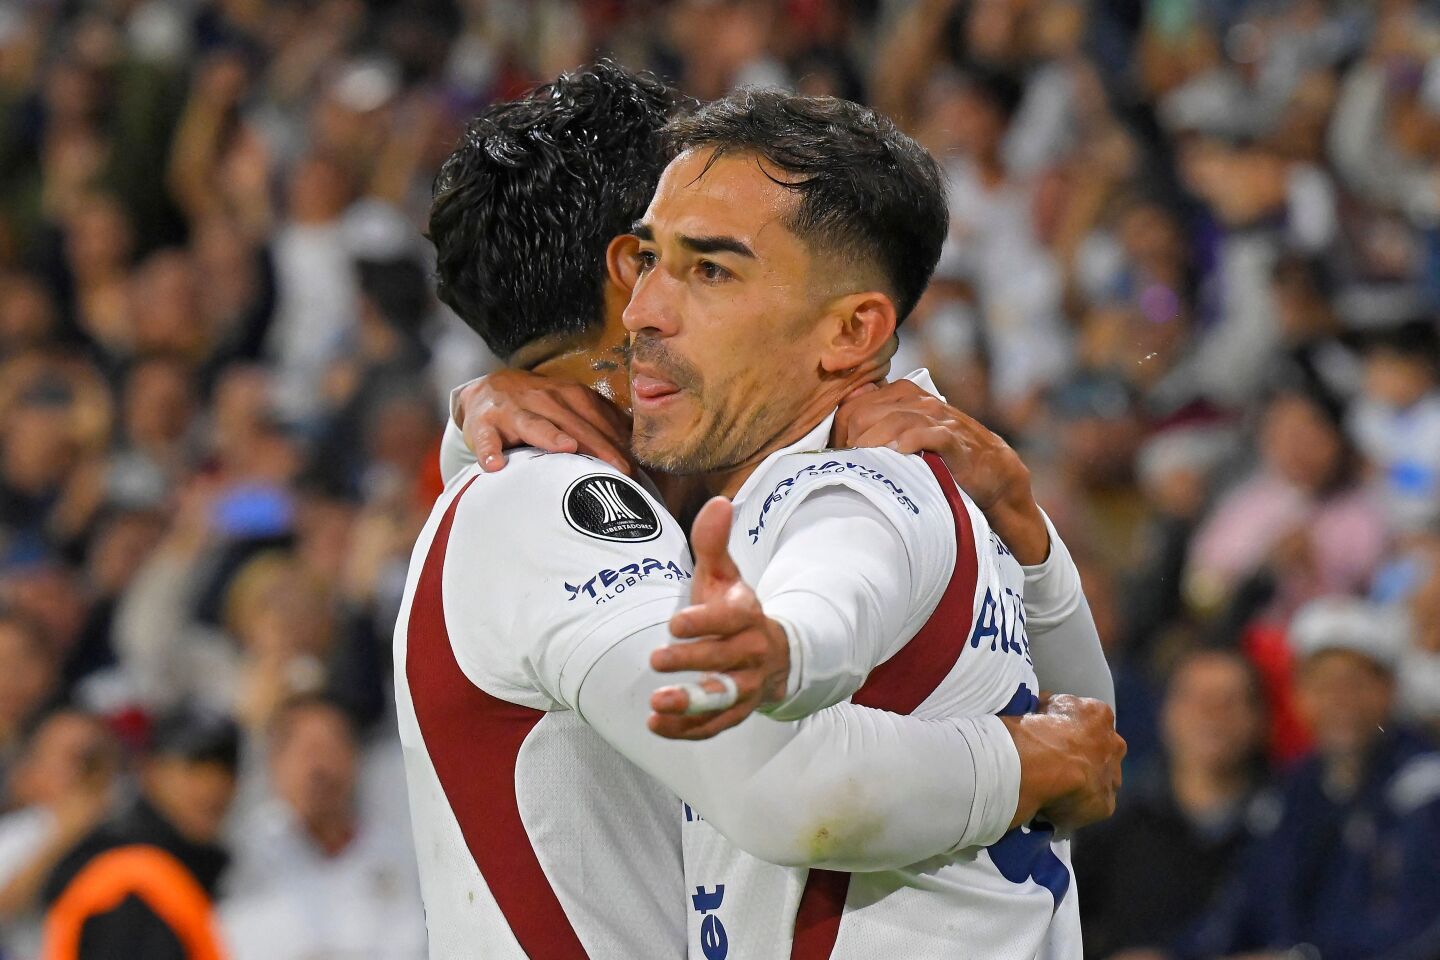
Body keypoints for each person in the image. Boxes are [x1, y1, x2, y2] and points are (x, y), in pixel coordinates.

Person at [402, 63, 1122, 959]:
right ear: (628, 274)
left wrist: (1027, 532)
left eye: (707, 264)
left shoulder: (818, 482)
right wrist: (1033, 761)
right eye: (661, 255)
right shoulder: (546, 494)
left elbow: (1059, 697)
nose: (663, 303)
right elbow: (781, 781)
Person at [1179, 597, 1440, 960]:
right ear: (1299, 695)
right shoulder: (1294, 788)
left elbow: (1419, 930)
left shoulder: (1425, 787)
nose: (1339, 701)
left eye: (1354, 683)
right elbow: (1243, 905)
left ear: (1388, 690)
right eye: (1322, 684)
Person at [1074, 650, 1268, 960]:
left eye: (1230, 702)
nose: (1213, 715)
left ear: (1257, 716)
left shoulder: (1291, 822)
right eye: (1197, 699)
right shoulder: (1112, 819)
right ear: (1165, 711)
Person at [220, 696, 425, 960]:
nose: (318, 768)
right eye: (305, 752)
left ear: (354, 758)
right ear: (274, 763)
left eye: (330, 749)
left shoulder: (398, 854)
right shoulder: (243, 852)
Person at [40, 709, 238, 960]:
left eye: (225, 771)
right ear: (151, 771)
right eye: (194, 768)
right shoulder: (128, 874)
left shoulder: (202, 864)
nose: (212, 786)